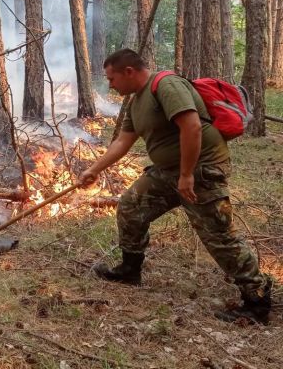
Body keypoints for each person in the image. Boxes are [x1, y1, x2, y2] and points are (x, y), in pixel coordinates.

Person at [78, 49, 271, 324]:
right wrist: (93, 170)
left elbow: (191, 127)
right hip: (168, 173)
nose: (110, 84)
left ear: (129, 72)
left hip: (201, 170)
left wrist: (187, 174)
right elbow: (123, 141)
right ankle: (129, 270)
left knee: (218, 235)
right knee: (131, 205)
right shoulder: (135, 102)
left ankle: (257, 299)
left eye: (112, 78)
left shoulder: (165, 85)